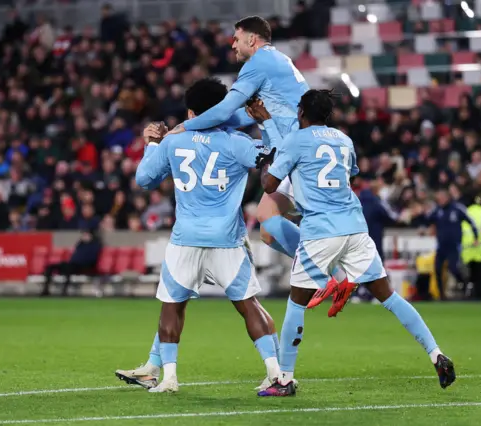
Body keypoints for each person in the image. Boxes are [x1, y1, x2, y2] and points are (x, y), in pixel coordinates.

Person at [247, 90, 456, 397]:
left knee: (296, 302)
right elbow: (347, 176)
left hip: (320, 231)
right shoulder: (344, 140)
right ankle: (436, 354)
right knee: (389, 297)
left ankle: (285, 378)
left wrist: (268, 159)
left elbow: (269, 184)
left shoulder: (296, 140)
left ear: (302, 112)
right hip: (355, 228)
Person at [165, 16, 355, 316]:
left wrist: (185, 127)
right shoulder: (277, 62)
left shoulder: (258, 64)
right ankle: (339, 277)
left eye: (237, 38)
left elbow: (227, 109)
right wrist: (203, 126)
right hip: (300, 148)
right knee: (269, 230)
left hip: (295, 151)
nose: (233, 44)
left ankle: (330, 275)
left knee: (268, 218)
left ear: (252, 40)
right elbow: (243, 117)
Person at [115, 78, 283, 393]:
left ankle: (167, 378)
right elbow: (270, 156)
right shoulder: (237, 142)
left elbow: (144, 178)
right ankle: (276, 373)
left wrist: (153, 142)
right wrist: (266, 123)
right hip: (226, 238)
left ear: (191, 112)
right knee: (248, 305)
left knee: (172, 306)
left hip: (185, 238)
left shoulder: (174, 141)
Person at [427, 188, 479, 300]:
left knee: (453, 268)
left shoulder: (457, 208)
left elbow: (471, 221)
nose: (440, 200)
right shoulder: (437, 210)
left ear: (447, 197)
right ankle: (441, 295)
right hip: (441, 245)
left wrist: (476, 236)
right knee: (437, 268)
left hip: (454, 245)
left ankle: (464, 283)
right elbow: (428, 220)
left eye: (442, 197)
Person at [41, 228, 102, 297]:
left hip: (84, 266)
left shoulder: (94, 245)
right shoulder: (80, 244)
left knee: (68, 268)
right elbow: (75, 256)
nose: (84, 236)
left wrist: (80, 261)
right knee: (50, 267)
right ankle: (45, 289)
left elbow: (92, 259)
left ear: (91, 235)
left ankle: (64, 290)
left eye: (86, 234)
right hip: (73, 264)